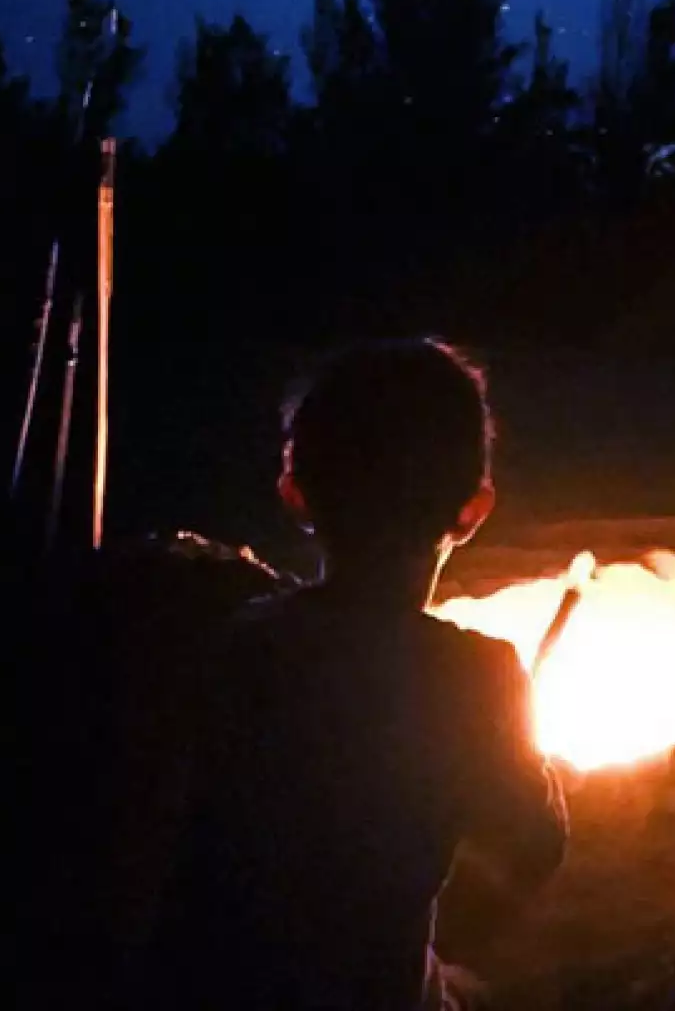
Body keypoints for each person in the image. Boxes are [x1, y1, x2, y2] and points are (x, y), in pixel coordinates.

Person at [149, 338, 568, 1010]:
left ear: (295, 494)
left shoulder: (234, 644)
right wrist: (526, 751)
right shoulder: (477, 675)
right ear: (473, 508)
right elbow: (534, 845)